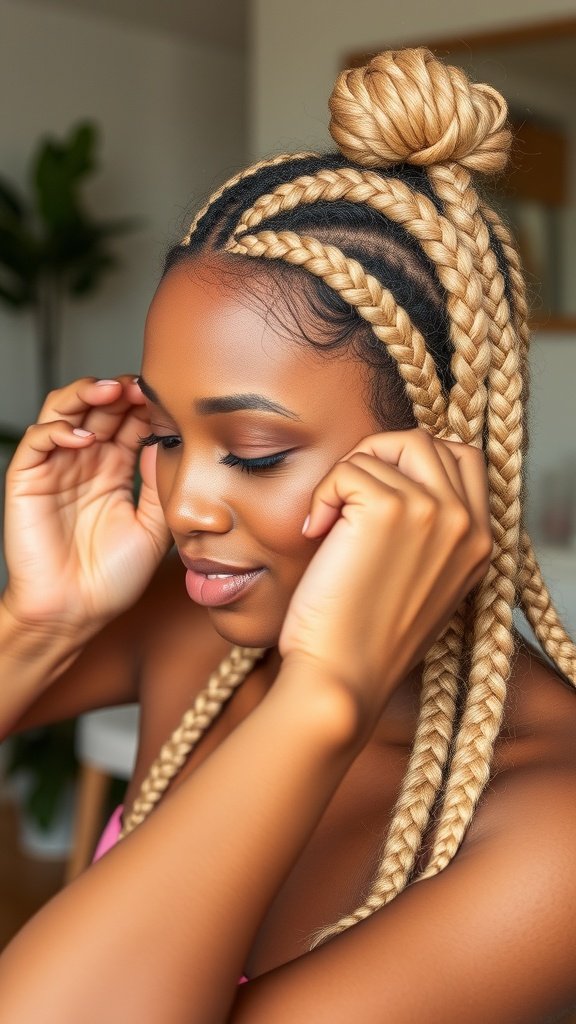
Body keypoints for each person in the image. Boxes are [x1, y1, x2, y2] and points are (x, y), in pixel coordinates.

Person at [0, 46, 575, 1023]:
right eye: (173, 437)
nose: (184, 505)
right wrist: (40, 621)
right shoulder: (196, 622)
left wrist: (323, 703)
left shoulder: (552, 834)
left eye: (257, 452)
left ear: (434, 464)